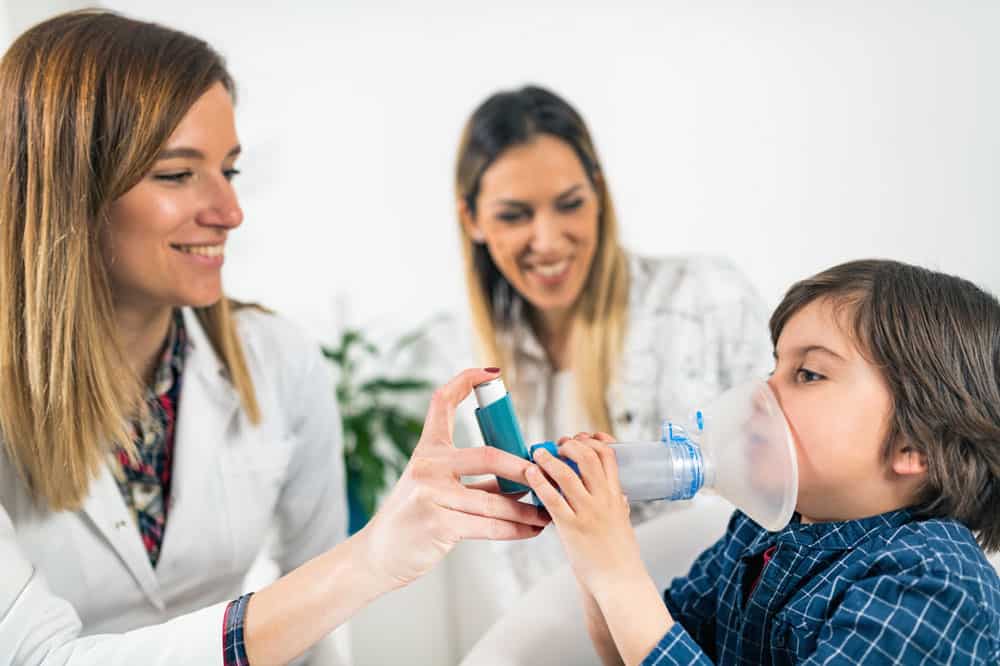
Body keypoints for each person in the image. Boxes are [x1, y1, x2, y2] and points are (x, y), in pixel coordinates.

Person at [0, 11, 548, 665]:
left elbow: (314, 625)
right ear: (66, 189)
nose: (229, 212)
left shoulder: (279, 361)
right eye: (177, 174)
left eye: (228, 171)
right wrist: (371, 558)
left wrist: (363, 568)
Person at [527, 259, 1000, 664]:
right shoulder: (762, 529)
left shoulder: (932, 585)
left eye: (808, 374)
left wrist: (618, 572)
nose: (758, 397)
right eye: (773, 368)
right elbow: (636, 651)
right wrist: (593, 551)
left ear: (914, 444)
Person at [441, 84, 772, 592]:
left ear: (598, 194)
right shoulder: (471, 358)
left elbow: (780, 488)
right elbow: (514, 558)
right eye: (514, 215)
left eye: (570, 204)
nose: (548, 241)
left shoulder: (707, 297)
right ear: (473, 219)